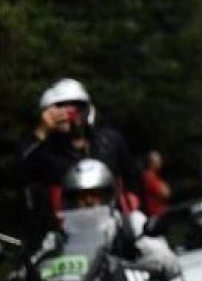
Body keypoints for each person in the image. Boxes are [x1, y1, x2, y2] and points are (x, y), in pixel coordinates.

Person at [11, 79, 142, 241]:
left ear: (86, 109)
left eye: (74, 106)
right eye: (59, 108)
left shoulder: (110, 142)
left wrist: (132, 201)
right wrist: (42, 132)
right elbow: (18, 172)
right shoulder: (44, 152)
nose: (67, 113)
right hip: (66, 235)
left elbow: (132, 175)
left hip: (115, 227)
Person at [142, 151, 172, 218]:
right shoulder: (149, 178)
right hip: (157, 216)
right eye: (158, 160)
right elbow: (165, 193)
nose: (161, 162)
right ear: (151, 163)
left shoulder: (155, 176)